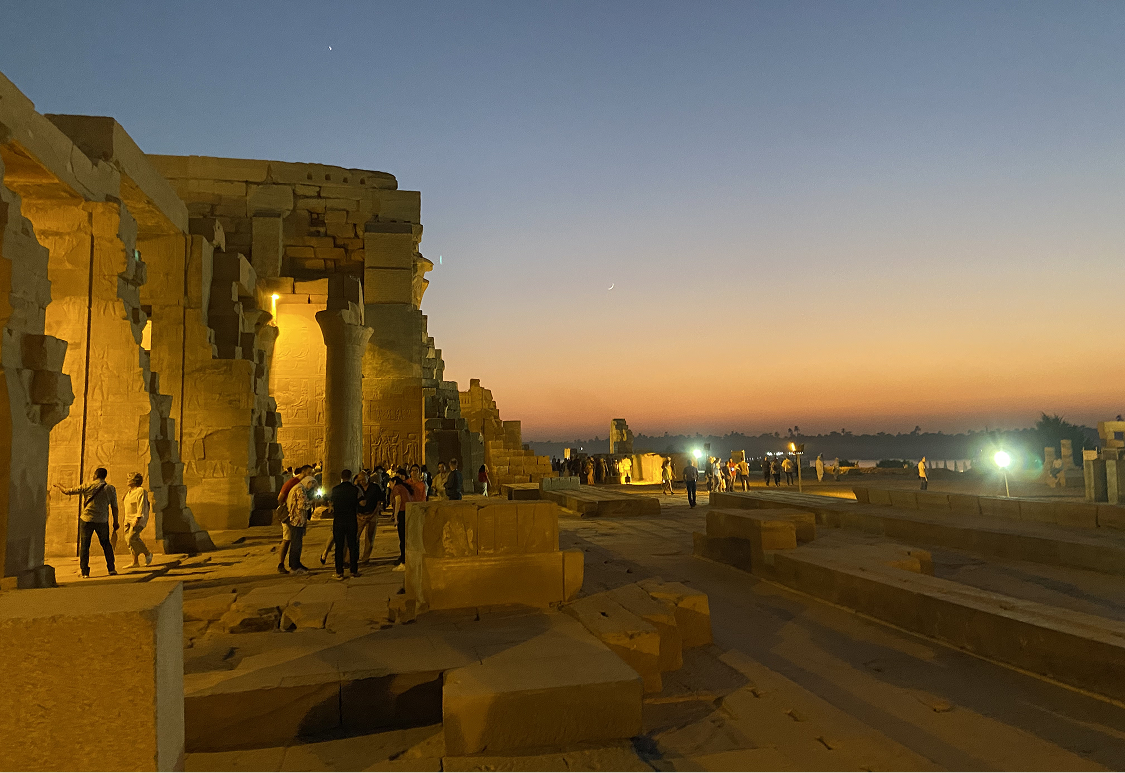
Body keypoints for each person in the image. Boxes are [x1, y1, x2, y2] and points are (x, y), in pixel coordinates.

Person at [56, 467, 119, 578]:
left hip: (86, 520)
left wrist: (58, 485)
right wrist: (115, 521)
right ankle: (111, 568)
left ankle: (85, 571)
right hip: (102, 520)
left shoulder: (87, 486)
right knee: (106, 545)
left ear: (95, 475)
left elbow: (68, 491)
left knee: (85, 546)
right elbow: (114, 507)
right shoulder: (110, 488)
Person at [328, 469, 362, 579]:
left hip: (338, 521)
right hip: (351, 520)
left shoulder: (335, 490)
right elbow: (362, 502)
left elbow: (331, 504)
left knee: (339, 547)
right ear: (351, 477)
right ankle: (354, 570)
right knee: (352, 546)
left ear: (341, 477)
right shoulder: (355, 489)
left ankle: (339, 572)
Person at [277, 465, 310, 573]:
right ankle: (283, 564)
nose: (312, 475)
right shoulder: (292, 483)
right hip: (289, 516)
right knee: (288, 540)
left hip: (295, 516)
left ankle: (294, 563)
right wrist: (288, 508)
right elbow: (280, 498)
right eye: (310, 473)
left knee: (292, 540)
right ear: (304, 473)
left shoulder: (302, 485)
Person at [284, 474, 316, 574]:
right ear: (308, 481)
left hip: (297, 520)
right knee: (296, 544)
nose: (311, 487)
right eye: (312, 484)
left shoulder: (299, 487)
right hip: (297, 520)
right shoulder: (300, 489)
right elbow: (303, 505)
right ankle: (295, 566)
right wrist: (313, 501)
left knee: (296, 543)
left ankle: (295, 564)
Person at [121, 472, 153, 568]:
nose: (127, 480)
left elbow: (141, 505)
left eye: (129, 478)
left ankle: (147, 553)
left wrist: (138, 518)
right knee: (128, 540)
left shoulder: (141, 491)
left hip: (137, 518)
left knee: (132, 538)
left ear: (134, 480)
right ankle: (135, 562)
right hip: (127, 518)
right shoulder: (128, 492)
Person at [390, 470, 414, 571]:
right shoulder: (404, 487)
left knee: (402, 538)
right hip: (408, 513)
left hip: (402, 513)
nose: (389, 485)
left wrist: (396, 517)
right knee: (406, 538)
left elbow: (398, 500)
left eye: (390, 483)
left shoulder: (397, 488)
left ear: (394, 482)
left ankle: (404, 562)